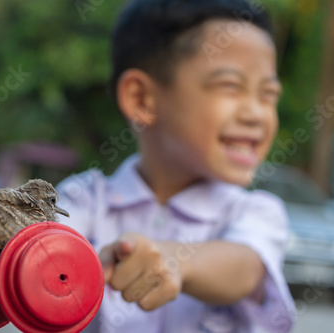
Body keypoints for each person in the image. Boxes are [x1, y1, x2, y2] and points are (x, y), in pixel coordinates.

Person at [57, 0, 296, 332]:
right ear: (142, 99)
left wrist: (177, 260)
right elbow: (42, 254)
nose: (256, 114)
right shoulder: (82, 200)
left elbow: (245, 266)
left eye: (268, 95)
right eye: (231, 87)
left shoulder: (255, 213)